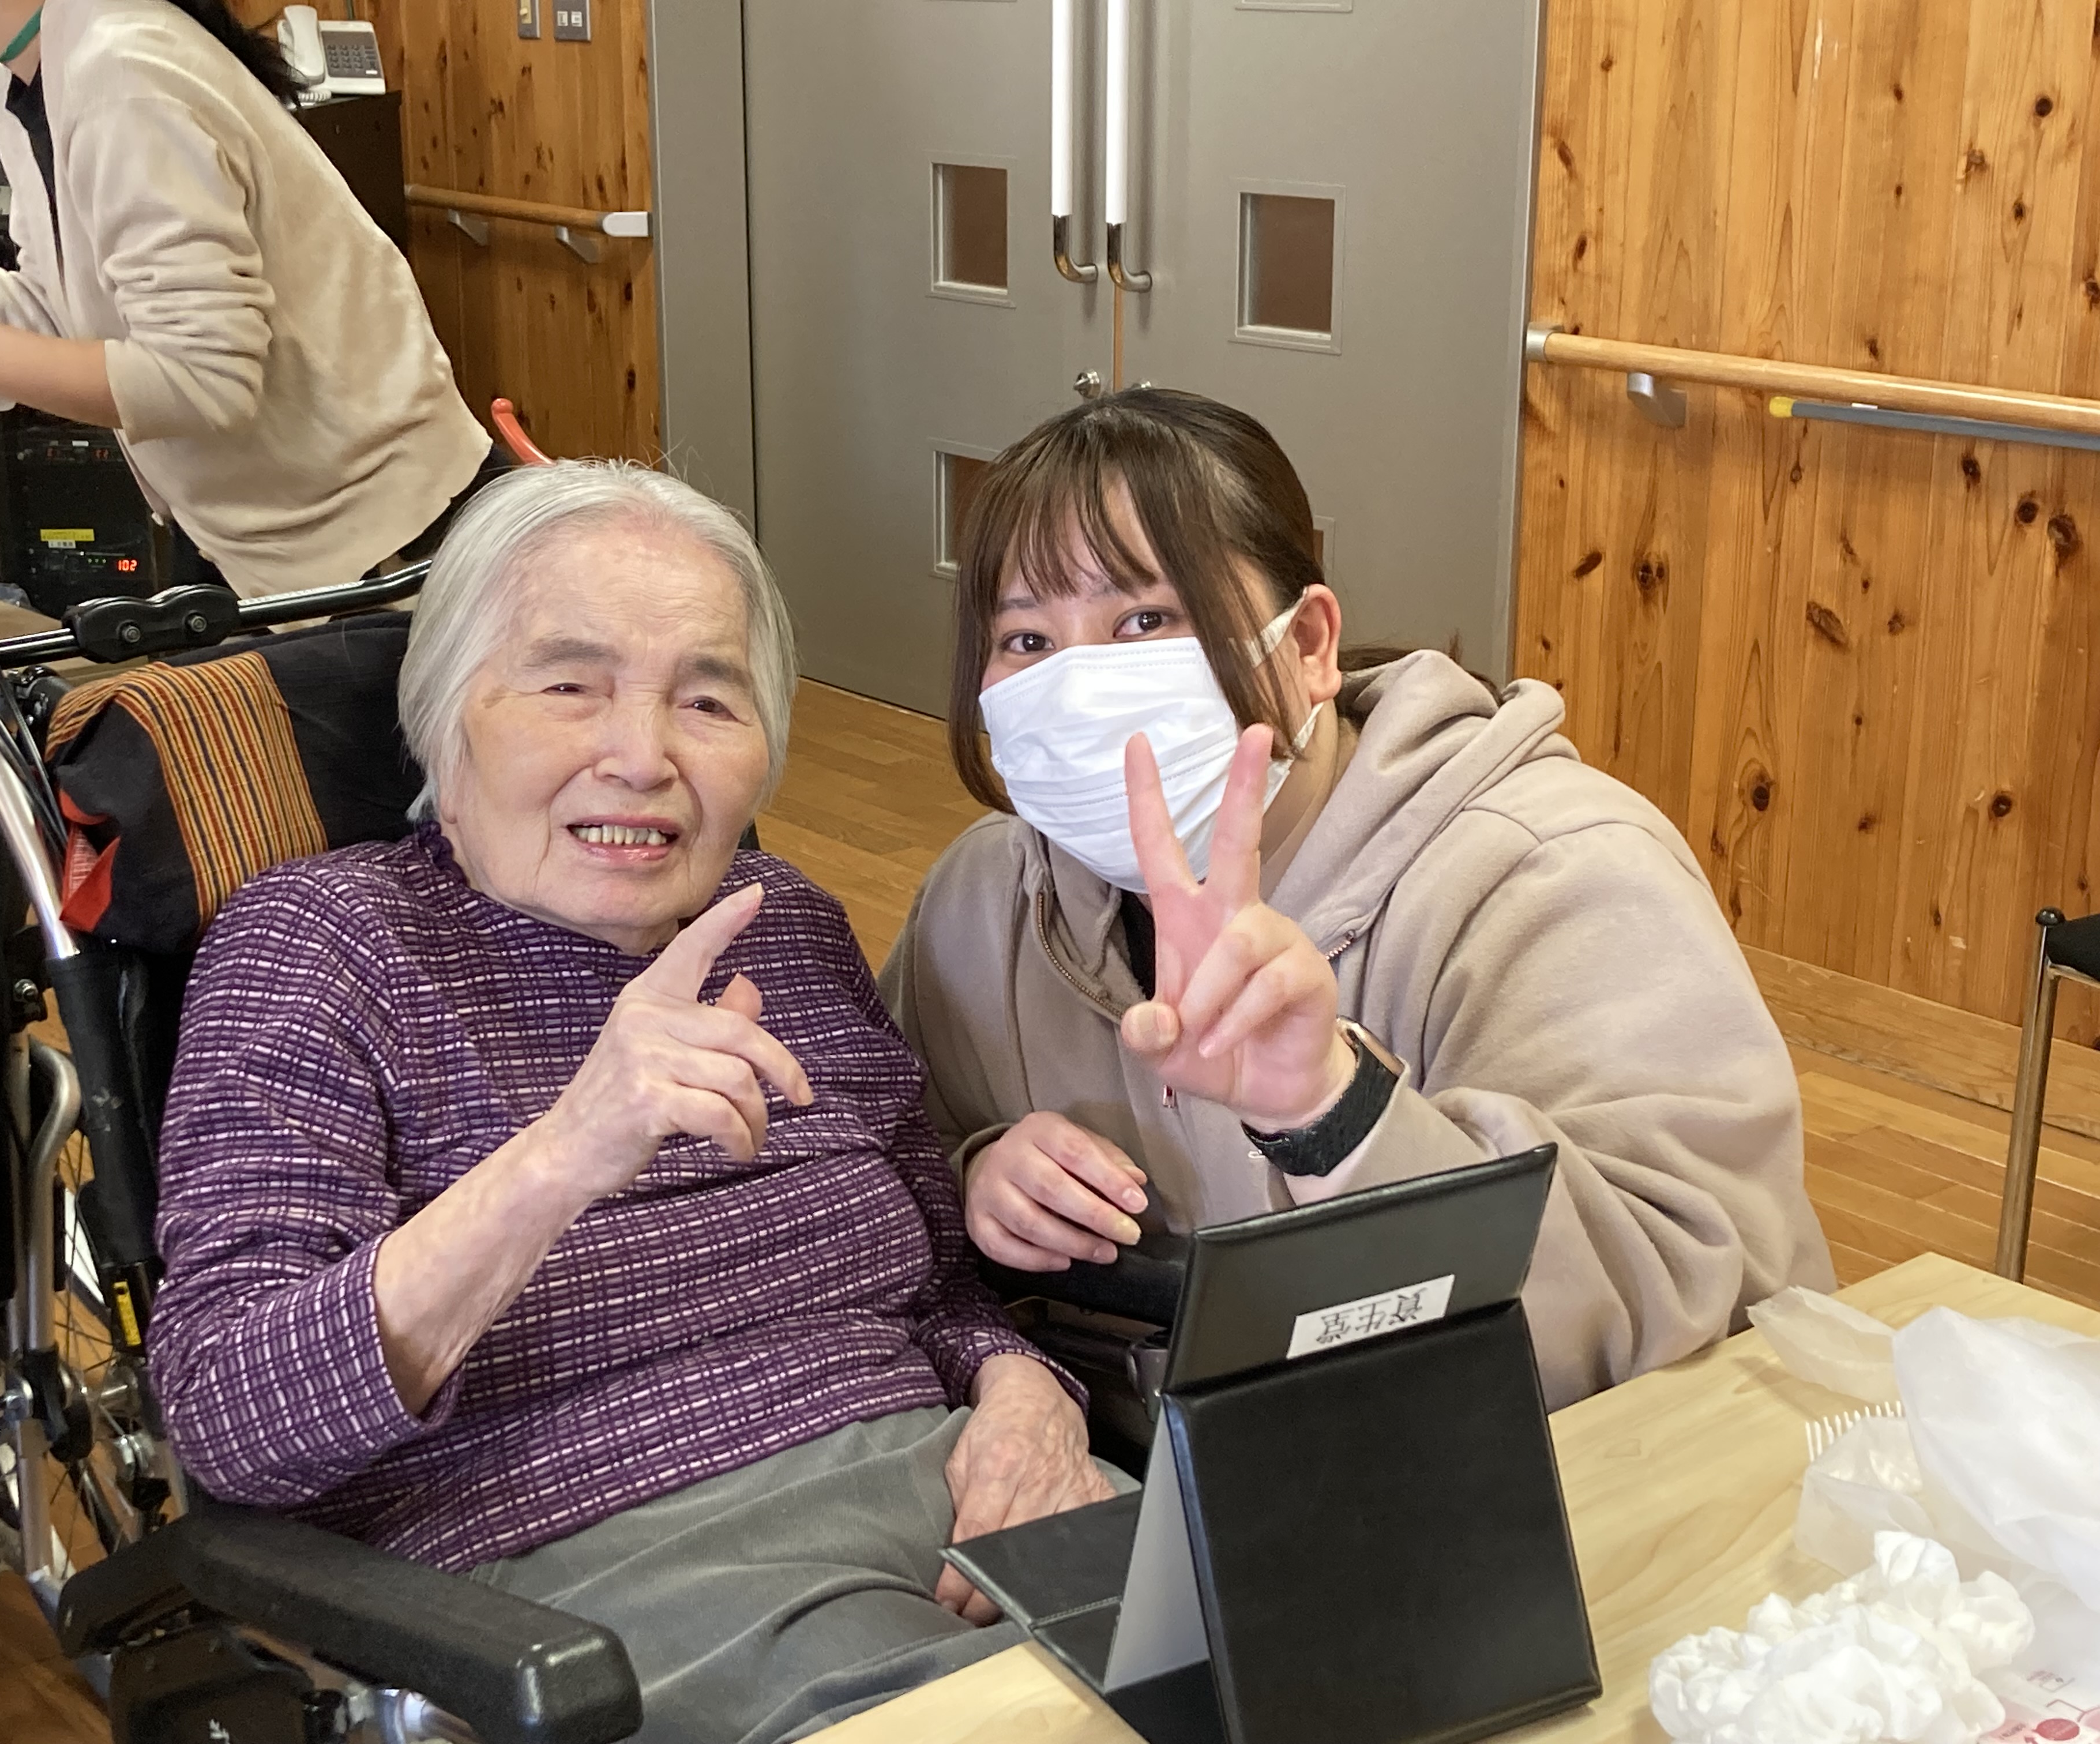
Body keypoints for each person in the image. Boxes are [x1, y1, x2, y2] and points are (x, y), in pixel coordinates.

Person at [146, 462, 1118, 1744]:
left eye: (706, 699)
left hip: (964, 1490)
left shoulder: (786, 928)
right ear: (443, 722)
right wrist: (564, 1152)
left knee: (1308, 1642)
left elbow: (936, 1280)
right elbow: (231, 1414)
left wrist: (1024, 1394)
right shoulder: (326, 942)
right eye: (570, 686)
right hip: (604, 1569)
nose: (643, 757)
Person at [880, 388, 1834, 1412]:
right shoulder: (985, 898)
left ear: (1308, 645)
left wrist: (1337, 1116)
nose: (1078, 687)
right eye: (1027, 640)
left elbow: (1705, 1303)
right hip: (1125, 1470)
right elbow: (871, 1172)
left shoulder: (1555, 873)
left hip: (1496, 1476)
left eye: (1146, 620)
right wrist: (973, 1177)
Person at [0, 0, 495, 597]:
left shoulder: (120, 70)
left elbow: (203, 380)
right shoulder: (25, 83)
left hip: (387, 547)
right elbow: (58, 312)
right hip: (248, 543)